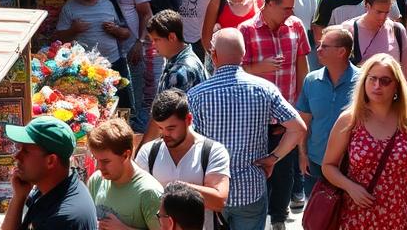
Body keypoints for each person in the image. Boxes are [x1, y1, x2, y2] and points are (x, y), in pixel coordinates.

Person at [187, 28, 306, 230]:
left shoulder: (196, 95)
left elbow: (190, 140)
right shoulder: (264, 89)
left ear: (213, 55)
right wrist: (273, 158)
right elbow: (298, 128)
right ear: (243, 55)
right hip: (252, 188)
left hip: (213, 191)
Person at [322, 54, 407, 230]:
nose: (377, 86)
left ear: (397, 85)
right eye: (372, 79)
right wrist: (350, 187)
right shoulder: (350, 120)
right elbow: (328, 166)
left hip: (403, 213)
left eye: (385, 81)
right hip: (359, 214)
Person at [238, 0, 310, 230]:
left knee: (284, 172)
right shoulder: (246, 30)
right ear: (269, 4)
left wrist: (303, 103)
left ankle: (279, 218)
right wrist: (260, 67)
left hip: (286, 116)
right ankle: (259, 218)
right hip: (256, 118)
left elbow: (302, 66)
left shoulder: (296, 26)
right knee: (257, 171)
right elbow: (235, 70)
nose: (290, 13)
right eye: (286, 8)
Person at [136, 90, 230, 230]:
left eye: (171, 128)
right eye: (160, 128)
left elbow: (218, 200)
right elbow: (137, 198)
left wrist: (175, 188)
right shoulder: (148, 152)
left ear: (189, 119)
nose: (165, 134)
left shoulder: (213, 151)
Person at [55, 0, 133, 110]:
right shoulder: (70, 7)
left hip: (113, 64)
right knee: (93, 108)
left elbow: (127, 33)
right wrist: (74, 29)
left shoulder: (111, 3)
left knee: (122, 108)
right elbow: (60, 37)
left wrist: (116, 30)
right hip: (85, 70)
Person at [295, 26, 359, 195]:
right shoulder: (311, 80)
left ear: (341, 52)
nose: (318, 50)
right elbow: (304, 122)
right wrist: (303, 155)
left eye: (324, 46)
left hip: (352, 166)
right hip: (316, 164)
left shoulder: (363, 83)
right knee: (315, 219)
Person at [2, 116, 97, 230]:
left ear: (51, 161)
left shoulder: (62, 219)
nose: (16, 156)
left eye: (25, 151)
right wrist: (19, 196)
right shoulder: (52, 187)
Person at [100, 0, 154, 131]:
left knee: (132, 92)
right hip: (103, 50)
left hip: (130, 47)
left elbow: (146, 14)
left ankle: (131, 132)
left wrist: (140, 42)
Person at [139, 10, 208, 146]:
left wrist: (142, 150)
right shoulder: (180, 58)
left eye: (157, 40)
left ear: (171, 37)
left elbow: (164, 116)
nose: (153, 45)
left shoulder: (180, 71)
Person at [86, 118, 164, 230]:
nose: (99, 167)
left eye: (105, 161)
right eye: (96, 160)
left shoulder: (149, 193)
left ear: (126, 155)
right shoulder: (96, 180)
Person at [341, 0, 407, 79]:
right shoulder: (348, 30)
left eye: (386, 12)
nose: (383, 17)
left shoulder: (398, 30)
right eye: (379, 12)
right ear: (367, 6)